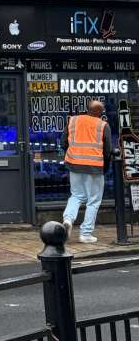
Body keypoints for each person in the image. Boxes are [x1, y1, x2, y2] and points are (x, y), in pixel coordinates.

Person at [61, 100, 114, 244]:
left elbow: (63, 142)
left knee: (76, 195)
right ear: (99, 112)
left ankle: (68, 219)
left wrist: (72, 155)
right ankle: (85, 234)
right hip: (94, 166)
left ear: (87, 109)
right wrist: (105, 168)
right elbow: (108, 150)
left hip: (74, 164)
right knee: (94, 200)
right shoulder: (103, 125)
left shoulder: (73, 121)